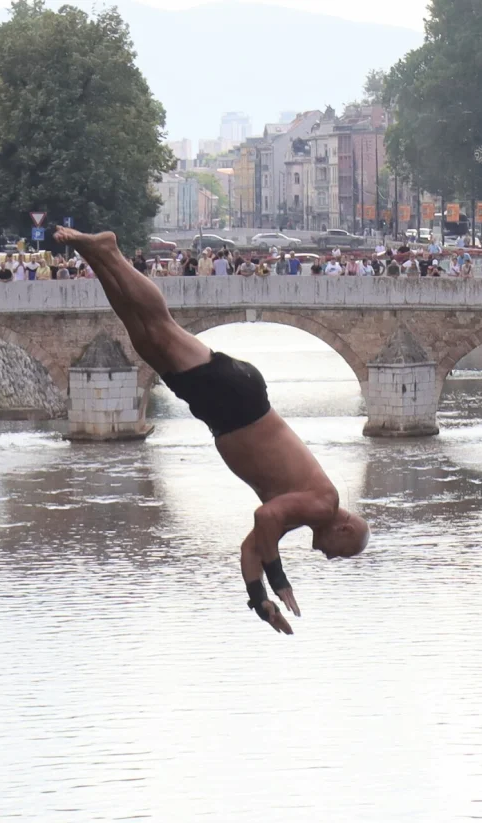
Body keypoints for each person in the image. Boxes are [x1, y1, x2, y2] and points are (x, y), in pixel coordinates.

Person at [54, 226, 369, 635]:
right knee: (160, 328)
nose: (331, 559)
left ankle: (96, 258)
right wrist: (278, 580)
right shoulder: (324, 506)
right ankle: (110, 251)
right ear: (344, 529)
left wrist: (260, 603)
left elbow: (249, 547)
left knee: (145, 339)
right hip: (237, 404)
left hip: (228, 409)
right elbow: (265, 514)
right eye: (341, 554)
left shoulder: (302, 516)